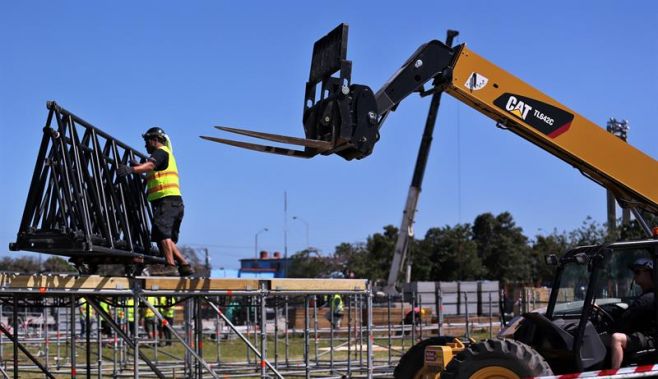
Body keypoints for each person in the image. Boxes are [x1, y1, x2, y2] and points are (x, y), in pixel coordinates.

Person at [117, 127, 194, 276]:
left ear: (155, 140)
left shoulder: (161, 152)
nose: (145, 145)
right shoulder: (165, 156)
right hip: (172, 203)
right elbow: (152, 175)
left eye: (147, 141)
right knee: (163, 236)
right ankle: (184, 265)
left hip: (167, 201)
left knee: (161, 233)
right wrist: (138, 169)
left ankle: (170, 266)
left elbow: (151, 165)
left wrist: (130, 170)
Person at [610, 257, 656, 369]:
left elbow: (627, 318)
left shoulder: (649, 297)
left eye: (637, 272)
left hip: (651, 338)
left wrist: (613, 324)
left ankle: (613, 374)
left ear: (648, 273)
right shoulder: (646, 296)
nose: (634, 276)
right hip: (643, 334)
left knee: (616, 338)